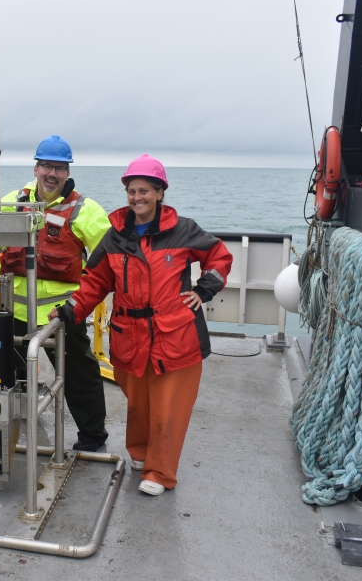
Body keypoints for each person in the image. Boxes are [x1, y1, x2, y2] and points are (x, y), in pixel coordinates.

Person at [49, 154, 232, 496]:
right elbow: (94, 282)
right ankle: (141, 453)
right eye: (132, 191)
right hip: (130, 338)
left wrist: (203, 289)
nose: (138, 198)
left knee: (168, 407)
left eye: (145, 190)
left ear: (160, 192)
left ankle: (161, 473)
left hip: (175, 337)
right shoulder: (115, 236)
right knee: (138, 403)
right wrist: (70, 310)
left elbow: (219, 257)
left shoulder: (185, 230)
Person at [0, 135, 111, 452]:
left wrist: (78, 303)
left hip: (62, 316)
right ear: (36, 168)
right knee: (11, 374)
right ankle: (17, 416)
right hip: (15, 311)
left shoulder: (85, 210)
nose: (52, 173)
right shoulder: (14, 201)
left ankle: (92, 437)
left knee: (80, 376)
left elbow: (106, 261)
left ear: (67, 172)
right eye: (46, 166)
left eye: (59, 167)